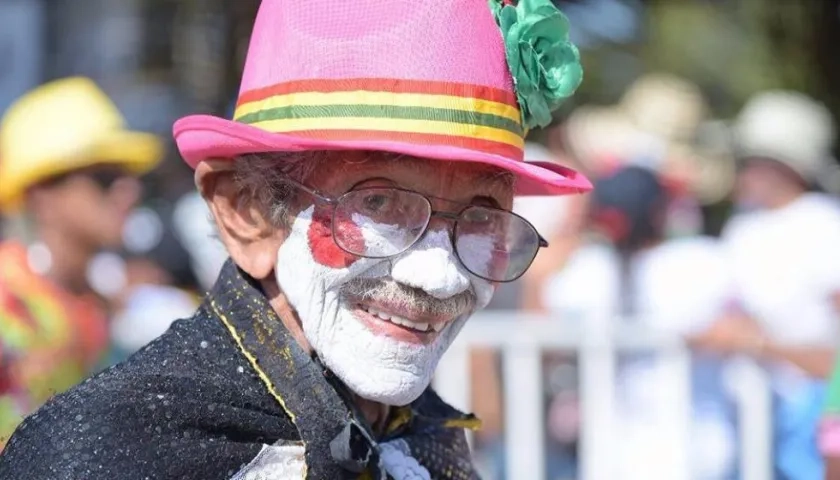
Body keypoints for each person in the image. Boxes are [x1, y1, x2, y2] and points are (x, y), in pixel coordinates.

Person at [0, 0, 590, 478]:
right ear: (249, 214)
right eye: (378, 203)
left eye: (483, 214)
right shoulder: (109, 455)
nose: (440, 277)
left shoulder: (428, 441)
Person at [541, 165, 739, 479]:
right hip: (699, 451)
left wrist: (575, 226)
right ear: (662, 211)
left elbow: (542, 304)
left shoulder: (586, 270)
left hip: (614, 457)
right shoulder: (703, 262)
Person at [0, 77, 162, 446]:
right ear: (41, 194)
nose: (129, 191)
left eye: (128, 176)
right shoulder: (6, 299)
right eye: (105, 178)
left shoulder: (100, 303)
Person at [702, 91, 840, 479]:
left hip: (811, 415)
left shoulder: (826, 225)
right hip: (747, 413)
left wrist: (762, 345)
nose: (743, 171)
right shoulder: (742, 227)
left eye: (752, 160)